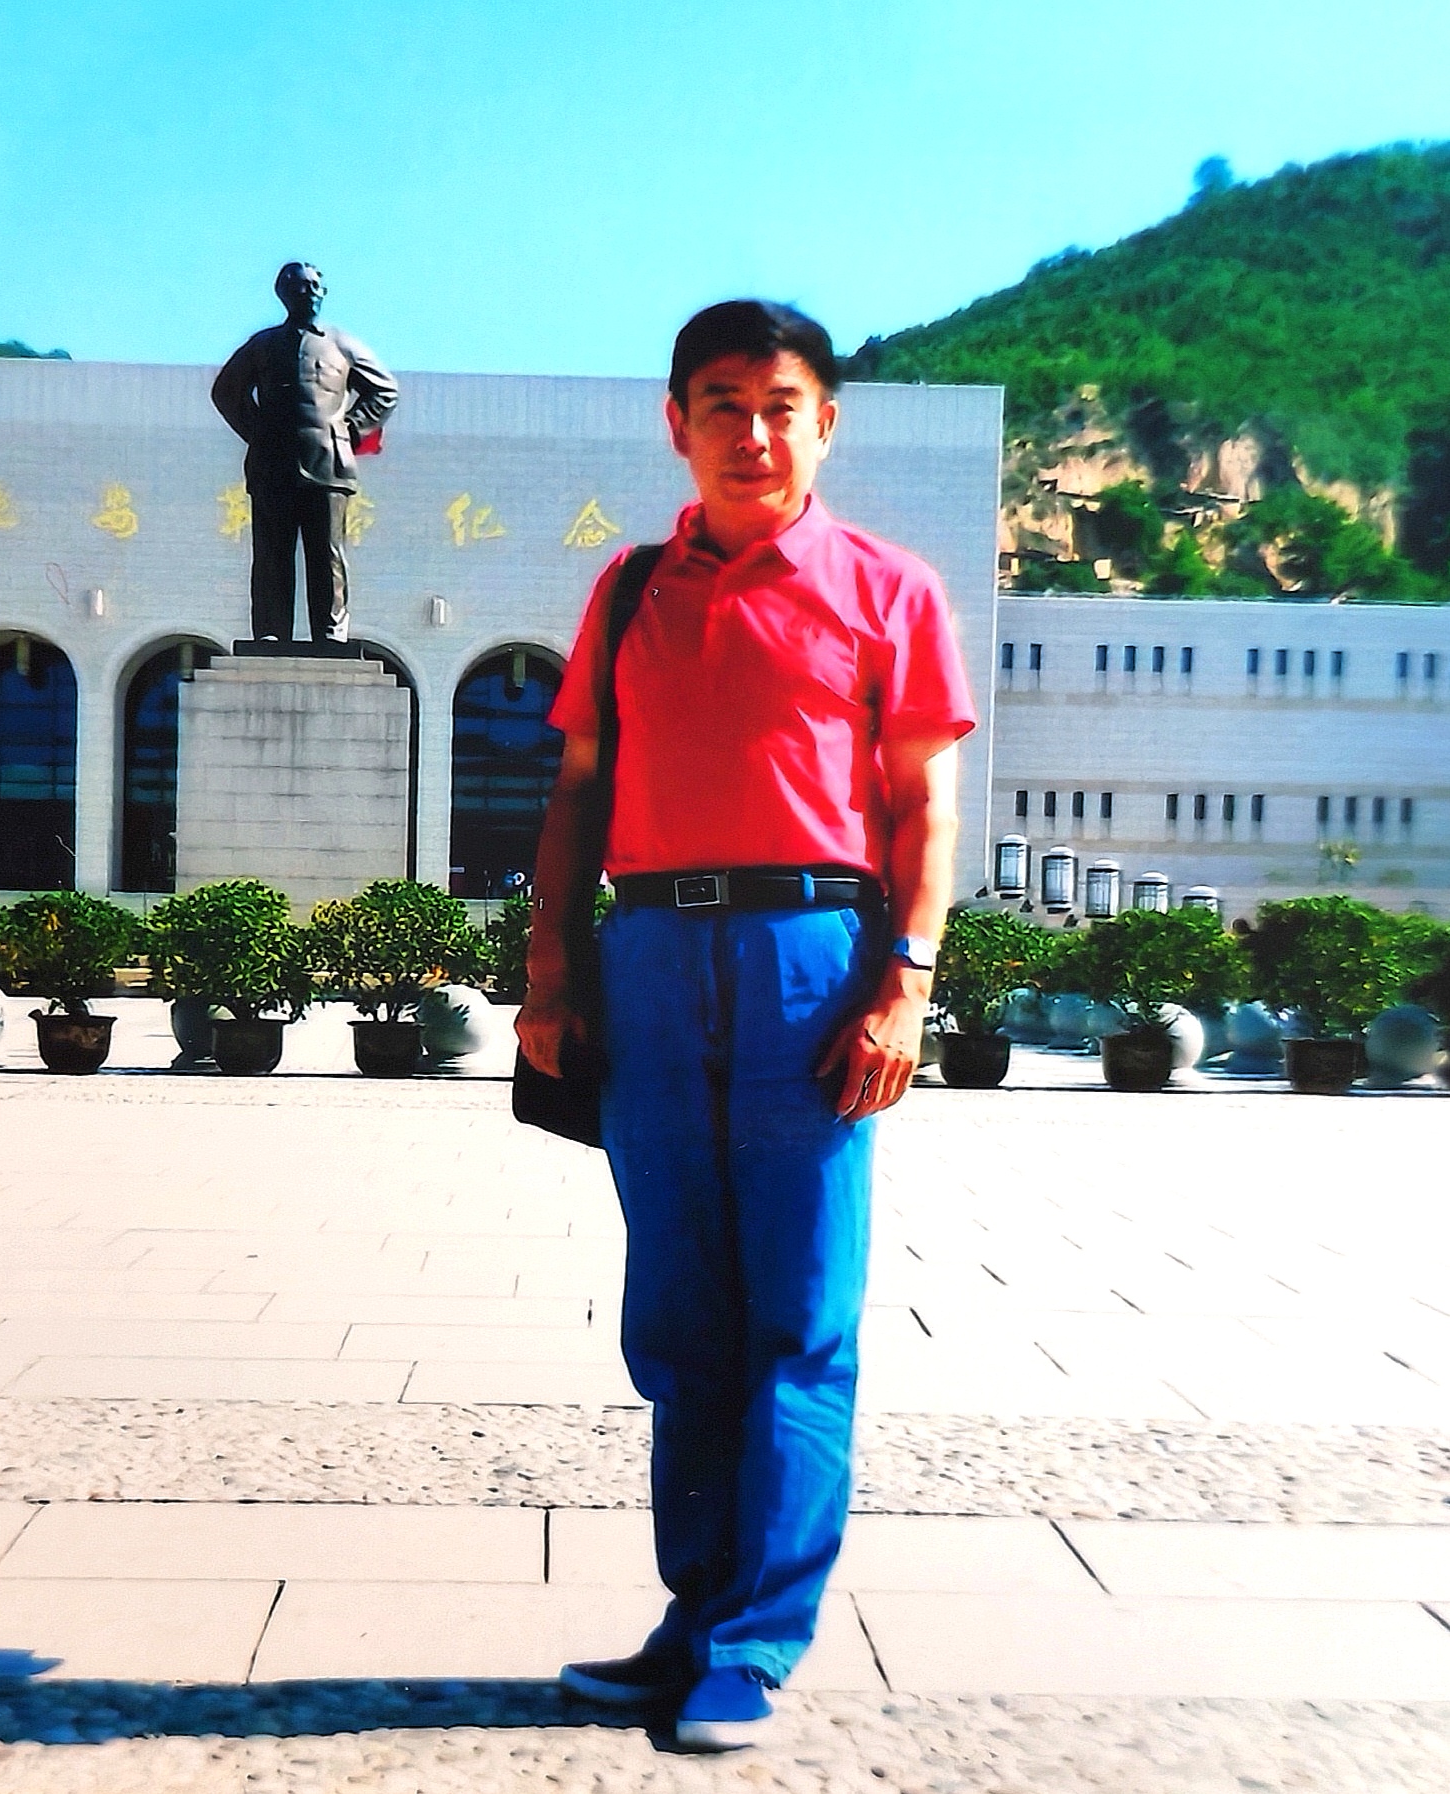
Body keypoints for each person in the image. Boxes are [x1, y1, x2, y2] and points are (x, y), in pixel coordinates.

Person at [517, 299, 975, 1751]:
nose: (754, 433)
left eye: (782, 407)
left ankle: (755, 1642)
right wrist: (550, 969)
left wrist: (905, 980)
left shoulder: (890, 589)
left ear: (824, 424)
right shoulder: (629, 589)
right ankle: (692, 1615)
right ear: (677, 424)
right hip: (651, 949)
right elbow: (576, 791)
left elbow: (924, 803)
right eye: (723, 404)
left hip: (811, 954)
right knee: (678, 1314)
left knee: (796, 1309)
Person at [210, 262, 399, 644]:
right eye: (299, 286)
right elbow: (226, 391)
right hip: (272, 465)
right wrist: (258, 434)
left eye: (315, 286)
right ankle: (270, 632)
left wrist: (349, 429)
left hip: (328, 463)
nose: (308, 292)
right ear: (282, 293)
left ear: (323, 293)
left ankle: (331, 633)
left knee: (327, 553)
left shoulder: (341, 345)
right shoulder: (263, 345)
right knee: (272, 553)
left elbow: (385, 390)